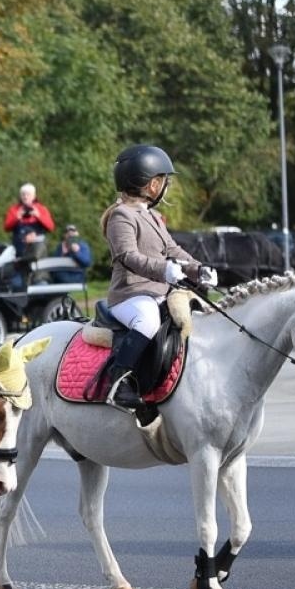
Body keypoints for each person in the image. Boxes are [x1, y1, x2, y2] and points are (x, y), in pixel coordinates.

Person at [101, 144, 215, 411]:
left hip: (157, 293)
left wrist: (198, 269)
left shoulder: (152, 216)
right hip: (130, 295)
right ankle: (118, 383)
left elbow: (172, 249)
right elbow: (127, 256)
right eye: (164, 181)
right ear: (152, 185)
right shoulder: (121, 216)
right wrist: (163, 269)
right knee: (148, 321)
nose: (167, 186)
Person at [2, 182, 55, 289]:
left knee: (38, 276)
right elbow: (6, 227)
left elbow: (51, 227)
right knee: (19, 280)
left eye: (28, 194)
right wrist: (17, 217)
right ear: (20, 196)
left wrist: (38, 216)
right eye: (23, 194)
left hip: (37, 253)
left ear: (34, 196)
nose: (25, 197)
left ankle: (40, 284)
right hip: (20, 251)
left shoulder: (41, 209)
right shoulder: (14, 209)